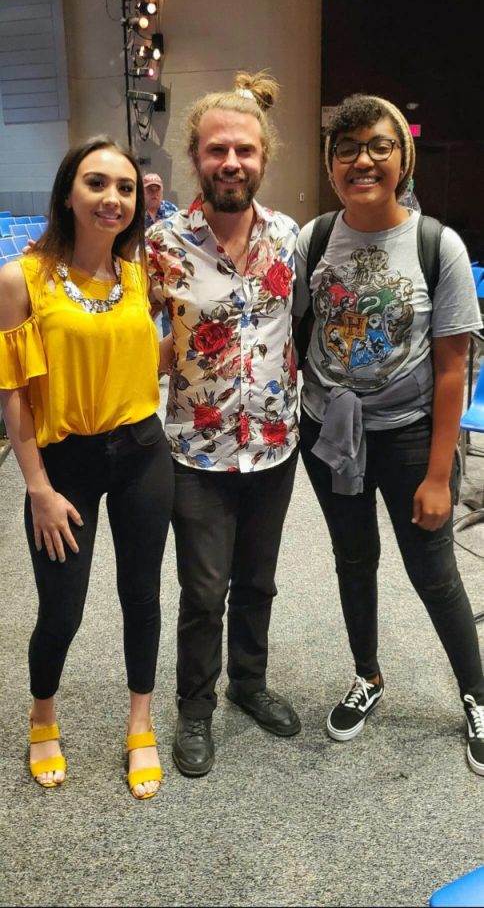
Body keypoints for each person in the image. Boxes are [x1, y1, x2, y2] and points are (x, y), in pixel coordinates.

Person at [294, 93, 484, 775]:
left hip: (409, 437)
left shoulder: (438, 246)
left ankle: (478, 693)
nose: (362, 160)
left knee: (433, 570)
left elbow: (453, 369)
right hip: (332, 432)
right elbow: (296, 335)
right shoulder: (313, 239)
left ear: (403, 157)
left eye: (378, 145)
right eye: (346, 149)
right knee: (353, 560)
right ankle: (368, 676)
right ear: (330, 162)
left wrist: (439, 476)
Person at [0, 137, 174, 799]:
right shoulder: (23, 278)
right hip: (63, 464)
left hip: (141, 453)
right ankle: (42, 715)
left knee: (142, 597)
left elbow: (138, 356)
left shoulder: (138, 276)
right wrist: (37, 487)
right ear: (68, 193)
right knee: (61, 611)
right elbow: (12, 393)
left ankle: (140, 722)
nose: (113, 199)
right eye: (98, 184)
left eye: (125, 189)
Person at [146, 71, 301, 777]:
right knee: (204, 591)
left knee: (259, 582)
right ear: (196, 157)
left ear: (263, 157)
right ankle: (197, 708)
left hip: (274, 445)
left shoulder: (290, 237)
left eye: (243, 150)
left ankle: (249, 685)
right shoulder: (163, 243)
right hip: (194, 450)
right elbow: (133, 333)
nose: (230, 162)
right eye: (216, 151)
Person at [143, 173, 177, 339]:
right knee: (144, 314)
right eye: (150, 190)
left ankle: (168, 355)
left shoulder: (172, 211)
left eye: (157, 190)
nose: (154, 194)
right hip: (143, 271)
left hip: (168, 271)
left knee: (170, 315)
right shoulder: (134, 214)